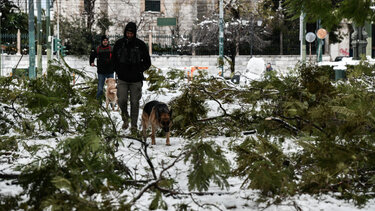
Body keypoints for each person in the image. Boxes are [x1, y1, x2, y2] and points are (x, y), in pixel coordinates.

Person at [112, 22, 151, 132]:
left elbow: (147, 62)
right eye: (127, 33)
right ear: (125, 32)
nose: (129, 35)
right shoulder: (119, 44)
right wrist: (118, 70)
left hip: (136, 80)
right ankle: (125, 119)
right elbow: (114, 60)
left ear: (134, 33)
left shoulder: (141, 45)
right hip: (122, 79)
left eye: (131, 33)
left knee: (135, 102)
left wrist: (139, 69)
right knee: (122, 100)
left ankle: (133, 125)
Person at [90, 35, 114, 100]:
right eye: (104, 40)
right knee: (100, 89)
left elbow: (115, 58)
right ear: (101, 41)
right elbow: (92, 56)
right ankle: (98, 102)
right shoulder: (98, 49)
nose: (105, 42)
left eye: (106, 40)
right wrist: (91, 62)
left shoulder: (111, 48)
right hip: (101, 72)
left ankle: (112, 103)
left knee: (111, 89)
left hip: (110, 71)